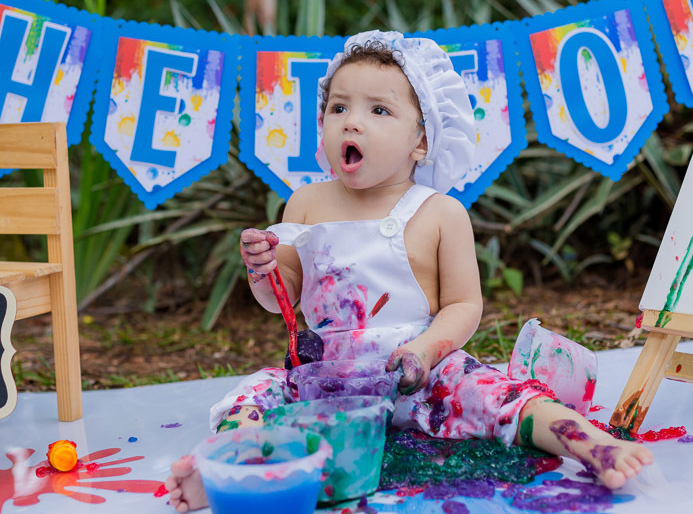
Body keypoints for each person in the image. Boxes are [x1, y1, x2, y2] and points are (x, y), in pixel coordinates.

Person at [166, 31, 652, 512]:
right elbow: (284, 297)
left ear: (422, 139)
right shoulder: (307, 202)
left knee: (504, 396)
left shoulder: (439, 213)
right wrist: (263, 270)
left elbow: (465, 305)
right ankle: (231, 469)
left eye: (378, 110)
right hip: (324, 381)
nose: (351, 123)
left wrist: (425, 351)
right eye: (338, 108)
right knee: (253, 397)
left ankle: (588, 442)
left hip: (423, 374)